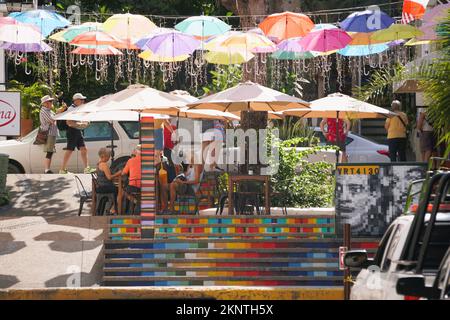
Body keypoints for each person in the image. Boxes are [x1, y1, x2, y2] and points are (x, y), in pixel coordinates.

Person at [60, 93, 93, 174]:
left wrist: (83, 123)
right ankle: (62, 169)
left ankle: (86, 168)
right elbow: (69, 122)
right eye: (81, 100)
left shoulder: (77, 108)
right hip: (72, 131)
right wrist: (82, 124)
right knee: (70, 150)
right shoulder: (71, 109)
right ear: (76, 101)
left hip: (77, 130)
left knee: (83, 149)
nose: (83, 101)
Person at [96, 148, 121, 214]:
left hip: (101, 185)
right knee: (121, 190)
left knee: (117, 188)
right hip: (105, 186)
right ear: (105, 156)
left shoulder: (98, 164)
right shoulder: (104, 165)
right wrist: (118, 173)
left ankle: (109, 207)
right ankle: (112, 209)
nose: (109, 158)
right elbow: (109, 177)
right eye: (109, 156)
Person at [39, 95, 58, 174]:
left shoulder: (49, 110)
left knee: (50, 151)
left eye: (51, 101)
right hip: (49, 133)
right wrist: (58, 113)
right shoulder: (44, 111)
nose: (51, 103)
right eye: (50, 101)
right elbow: (52, 120)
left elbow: (55, 118)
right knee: (49, 151)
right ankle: (46, 170)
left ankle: (47, 169)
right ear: (45, 103)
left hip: (51, 133)